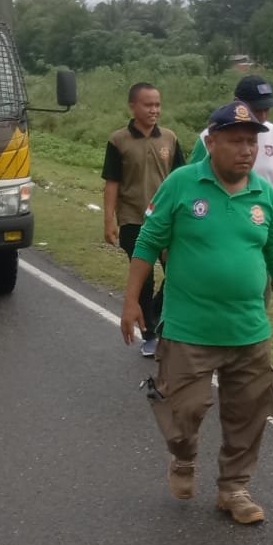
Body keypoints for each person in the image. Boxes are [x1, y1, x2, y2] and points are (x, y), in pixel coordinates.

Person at [120, 101, 273, 525]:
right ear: (211, 143)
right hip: (190, 328)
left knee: (249, 413)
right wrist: (132, 301)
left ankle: (234, 488)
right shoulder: (182, 184)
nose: (246, 151)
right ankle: (183, 456)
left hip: (249, 330)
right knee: (183, 410)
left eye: (252, 143)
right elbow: (148, 242)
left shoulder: (265, 195)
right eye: (236, 141)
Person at [102, 82, 184, 358]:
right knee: (144, 278)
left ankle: (159, 316)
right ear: (133, 106)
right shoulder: (118, 140)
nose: (154, 110)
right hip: (133, 219)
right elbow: (112, 183)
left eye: (158, 105)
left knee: (177, 271)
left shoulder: (170, 139)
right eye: (148, 105)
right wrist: (108, 221)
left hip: (168, 220)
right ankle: (150, 334)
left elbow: (182, 181)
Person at [192, 76, 273, 196]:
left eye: (266, 110)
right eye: (256, 110)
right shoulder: (212, 136)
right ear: (236, 102)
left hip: (264, 212)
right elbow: (192, 179)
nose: (262, 116)